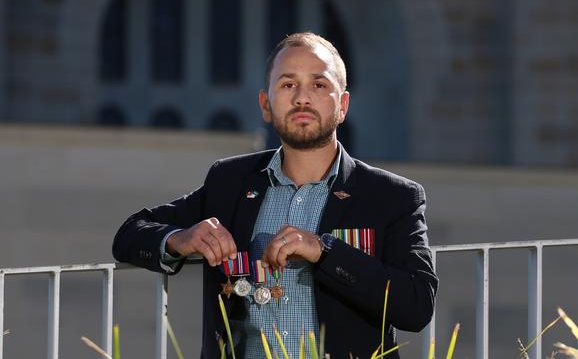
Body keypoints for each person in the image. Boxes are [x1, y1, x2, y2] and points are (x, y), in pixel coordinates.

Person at [113, 32, 438, 359]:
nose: (302, 98)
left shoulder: (392, 196)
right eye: (287, 85)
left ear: (342, 106)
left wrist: (324, 251)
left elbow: (416, 305)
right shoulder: (230, 182)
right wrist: (179, 240)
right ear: (265, 106)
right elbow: (129, 234)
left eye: (319, 85)